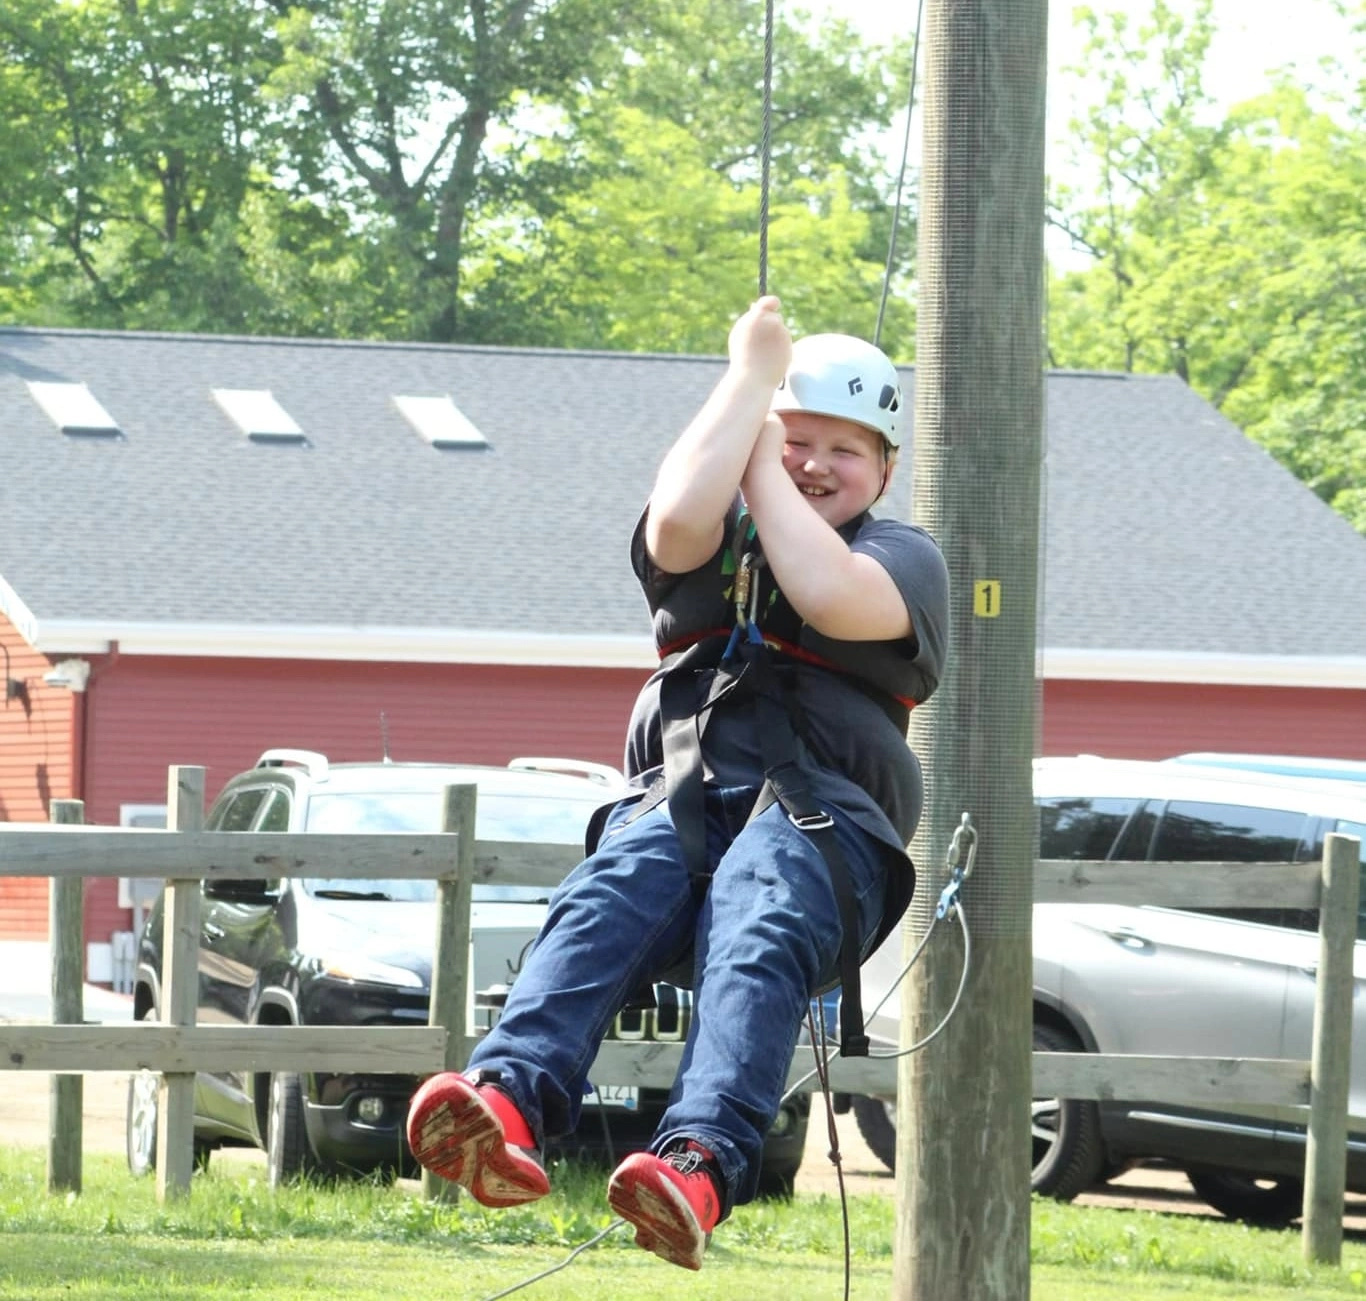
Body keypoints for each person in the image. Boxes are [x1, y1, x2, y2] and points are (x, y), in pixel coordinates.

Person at [406, 296, 950, 1270]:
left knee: (760, 907)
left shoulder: (898, 557)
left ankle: (697, 1159)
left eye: (846, 450)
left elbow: (824, 593)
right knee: (605, 891)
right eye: (798, 440)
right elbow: (677, 517)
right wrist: (746, 382)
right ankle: (505, 1099)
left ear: (887, 471)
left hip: (823, 831)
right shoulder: (710, 535)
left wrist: (764, 455)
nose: (817, 463)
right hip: (687, 801)